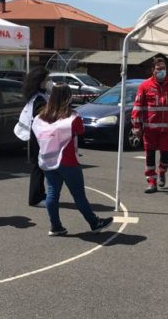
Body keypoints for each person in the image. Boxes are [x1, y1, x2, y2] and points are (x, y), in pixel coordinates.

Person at [31, 83, 113, 236]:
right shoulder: (73, 117)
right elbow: (80, 130)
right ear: (68, 98)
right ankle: (94, 222)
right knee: (78, 195)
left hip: (48, 160)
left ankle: (55, 226)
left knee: (52, 193)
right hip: (67, 160)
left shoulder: (40, 117)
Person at [132, 57, 168, 193]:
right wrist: (136, 126)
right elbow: (137, 107)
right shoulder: (145, 86)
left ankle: (162, 172)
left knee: (166, 156)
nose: (161, 71)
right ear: (153, 70)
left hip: (167, 129)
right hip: (150, 129)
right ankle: (152, 182)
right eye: (158, 69)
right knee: (150, 156)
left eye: (163, 68)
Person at [14, 67, 50, 207]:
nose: (49, 82)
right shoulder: (39, 99)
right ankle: (35, 198)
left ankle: (40, 194)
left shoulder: (40, 95)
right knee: (38, 168)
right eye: (47, 79)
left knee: (39, 167)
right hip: (38, 138)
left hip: (38, 136)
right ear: (40, 81)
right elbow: (40, 119)